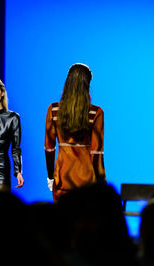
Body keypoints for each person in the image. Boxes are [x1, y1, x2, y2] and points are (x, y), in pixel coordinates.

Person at [44, 63, 106, 202]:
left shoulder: (54, 110)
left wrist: (50, 176)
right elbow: (97, 154)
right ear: (87, 84)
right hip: (87, 181)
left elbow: (49, 148)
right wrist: (103, 186)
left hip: (61, 178)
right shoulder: (96, 113)